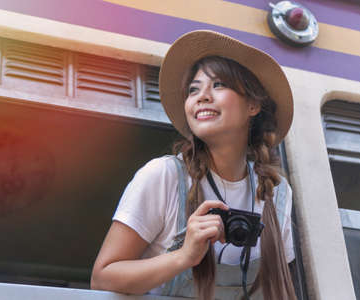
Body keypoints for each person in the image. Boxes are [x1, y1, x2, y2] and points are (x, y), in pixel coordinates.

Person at [91, 30, 297, 300]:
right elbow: (102, 278)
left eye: (219, 84)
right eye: (193, 89)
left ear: (253, 105)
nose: (202, 96)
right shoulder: (163, 176)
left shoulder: (277, 194)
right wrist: (184, 256)